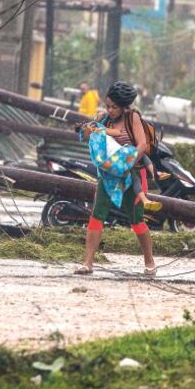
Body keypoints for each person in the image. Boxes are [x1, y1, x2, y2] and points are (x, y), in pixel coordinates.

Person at [75, 81, 157, 277]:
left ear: (124, 106)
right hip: (109, 176)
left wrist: (126, 163)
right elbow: (87, 135)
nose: (110, 110)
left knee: (136, 220)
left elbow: (142, 145)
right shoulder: (105, 119)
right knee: (97, 215)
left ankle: (150, 262)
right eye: (107, 105)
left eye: (114, 107)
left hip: (131, 175)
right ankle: (88, 262)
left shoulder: (132, 117)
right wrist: (89, 127)